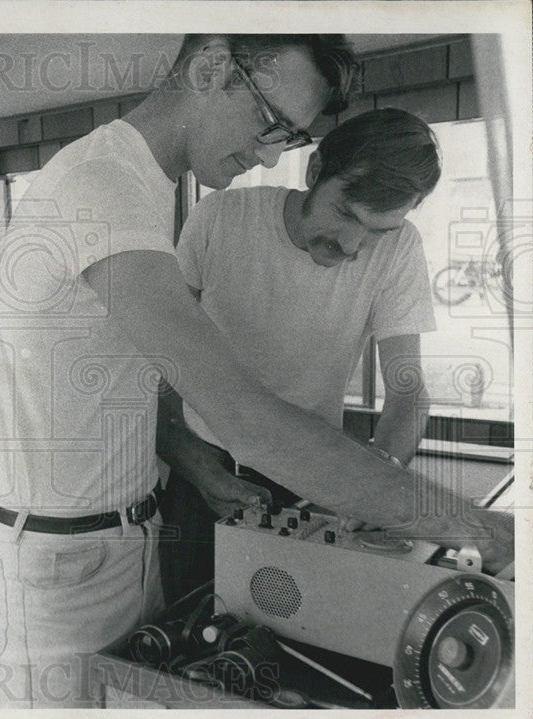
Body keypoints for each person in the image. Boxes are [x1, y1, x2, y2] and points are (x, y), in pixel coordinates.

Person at [0, 33, 513, 709]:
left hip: (127, 538)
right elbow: (244, 418)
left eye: (285, 137)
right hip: (60, 559)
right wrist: (481, 528)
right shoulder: (103, 187)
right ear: (207, 67)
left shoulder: (140, 187)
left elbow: (142, 392)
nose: (268, 154)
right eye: (268, 123)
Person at [157, 108, 442, 604]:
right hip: (202, 469)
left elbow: (408, 389)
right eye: (347, 214)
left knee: (301, 640)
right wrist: (191, 462)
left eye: (379, 230)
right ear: (314, 172)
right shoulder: (219, 218)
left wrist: (378, 476)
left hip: (312, 477)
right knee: (194, 631)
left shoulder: (400, 250)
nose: (353, 246)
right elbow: (157, 356)